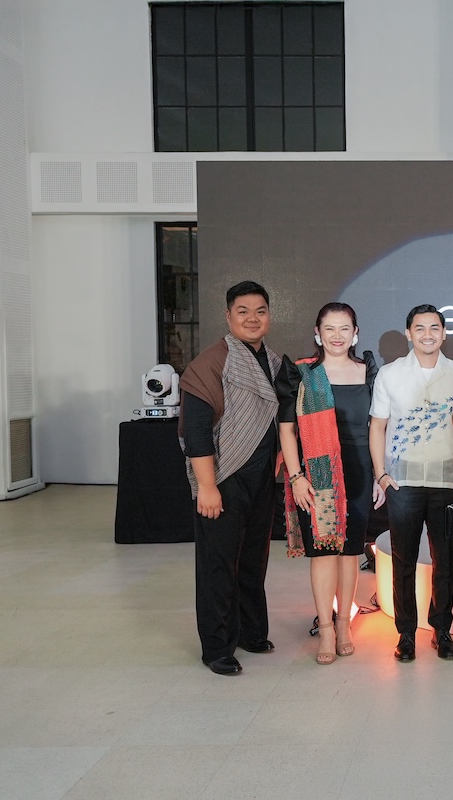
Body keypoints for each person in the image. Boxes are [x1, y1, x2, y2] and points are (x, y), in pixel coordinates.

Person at [179, 281, 289, 676]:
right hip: (223, 476)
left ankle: (250, 632)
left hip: (261, 478)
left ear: (269, 317)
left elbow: (280, 417)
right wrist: (207, 487)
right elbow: (195, 431)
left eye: (260, 311)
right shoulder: (211, 363)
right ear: (228, 317)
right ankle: (217, 647)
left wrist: (280, 454)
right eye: (243, 311)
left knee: (253, 559)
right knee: (219, 563)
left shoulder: (274, 362)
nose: (252, 318)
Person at [369, 304, 453, 662]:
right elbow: (377, 426)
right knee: (404, 560)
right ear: (408, 333)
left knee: (444, 561)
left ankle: (441, 630)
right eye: (420, 328)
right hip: (403, 482)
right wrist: (381, 474)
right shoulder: (390, 374)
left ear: (443, 333)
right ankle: (406, 634)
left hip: (446, 482)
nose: (427, 334)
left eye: (434, 328)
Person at [279, 302, 380, 665]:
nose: (337, 336)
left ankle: (343, 625)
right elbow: (286, 430)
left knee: (350, 551)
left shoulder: (369, 372)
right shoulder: (303, 374)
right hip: (318, 473)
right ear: (317, 334)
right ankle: (325, 628)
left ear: (356, 333)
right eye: (330, 329)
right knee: (324, 551)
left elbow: (378, 428)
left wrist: (380, 473)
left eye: (344, 328)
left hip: (359, 470)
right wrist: (296, 477)